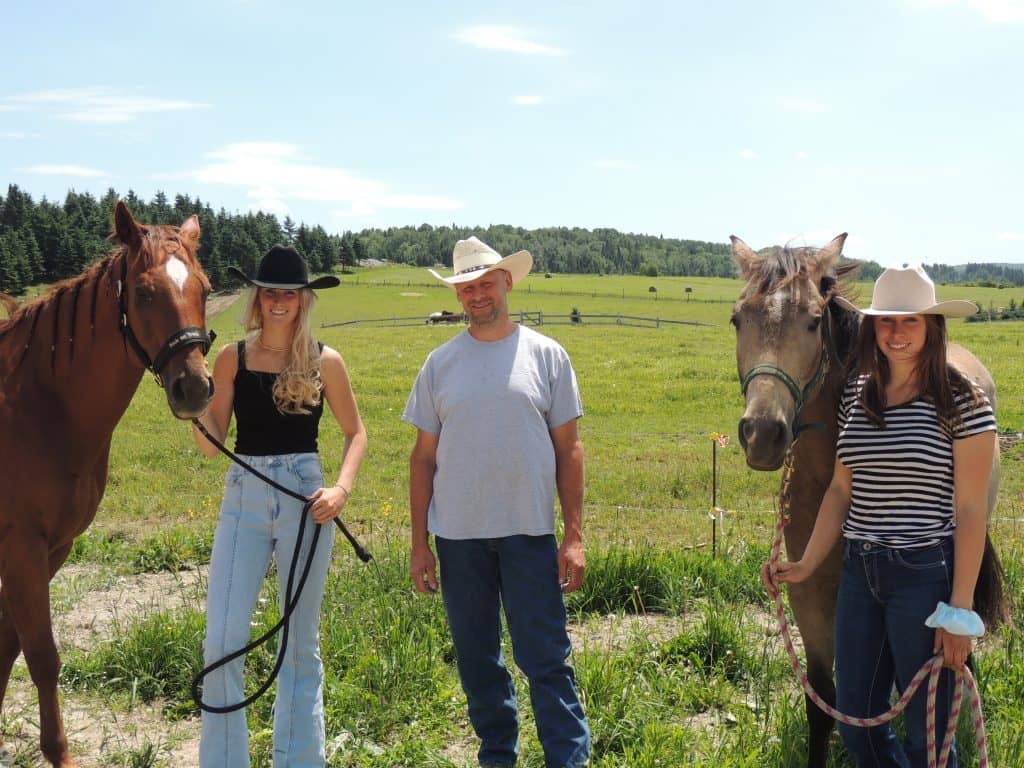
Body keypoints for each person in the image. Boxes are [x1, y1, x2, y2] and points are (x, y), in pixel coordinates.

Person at [763, 264, 997, 768]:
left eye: (910, 321)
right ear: (872, 327)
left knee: (928, 737)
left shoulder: (963, 400)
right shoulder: (857, 393)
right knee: (857, 723)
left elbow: (972, 508)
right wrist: (804, 565)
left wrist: (959, 610)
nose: (896, 332)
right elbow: (841, 491)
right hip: (859, 573)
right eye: (886, 321)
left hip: (923, 575)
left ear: (932, 326)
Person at [403, 236, 591, 768]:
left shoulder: (547, 355)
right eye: (466, 286)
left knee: (547, 659)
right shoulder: (439, 365)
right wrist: (419, 543)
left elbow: (569, 449)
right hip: (458, 537)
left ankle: (568, 760)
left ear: (507, 282)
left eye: (485, 282)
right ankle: (497, 756)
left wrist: (573, 535)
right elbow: (422, 459)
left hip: (529, 533)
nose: (476, 294)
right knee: (478, 662)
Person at [192, 245, 367, 768]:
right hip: (243, 491)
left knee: (299, 641)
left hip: (306, 497)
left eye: (289, 292)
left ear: (303, 299)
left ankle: (300, 761)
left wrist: (341, 490)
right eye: (270, 291)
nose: (279, 301)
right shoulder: (233, 358)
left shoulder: (323, 360)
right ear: (258, 297)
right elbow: (211, 443)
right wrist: (191, 400)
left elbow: (356, 433)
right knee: (222, 639)